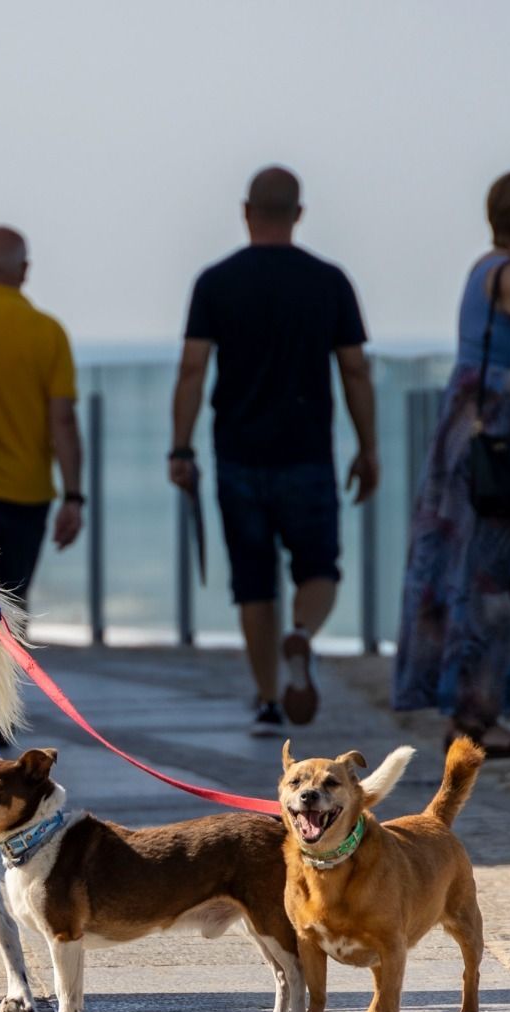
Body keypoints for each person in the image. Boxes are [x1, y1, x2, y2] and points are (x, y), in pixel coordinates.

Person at [170, 166, 377, 738]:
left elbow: (192, 370)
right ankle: (303, 634)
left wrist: (180, 447)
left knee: (253, 582)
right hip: (307, 452)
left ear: (246, 211)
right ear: (299, 214)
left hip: (238, 454)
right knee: (320, 569)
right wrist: (369, 448)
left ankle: (267, 701)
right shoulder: (329, 281)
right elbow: (355, 371)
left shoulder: (216, 282)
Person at [394, 170, 510, 759]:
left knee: (495, 579)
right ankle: (473, 719)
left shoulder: (495, 271)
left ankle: (481, 714)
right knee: (487, 581)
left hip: (498, 446)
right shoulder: (504, 274)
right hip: (495, 451)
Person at [0, 226, 83, 604]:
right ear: (24, 270)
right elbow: (63, 420)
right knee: (12, 606)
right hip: (26, 492)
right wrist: (73, 496)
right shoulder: (48, 333)